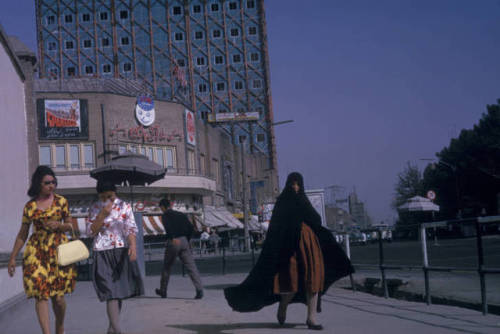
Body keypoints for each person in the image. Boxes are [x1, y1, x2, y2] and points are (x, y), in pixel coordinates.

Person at [224, 172, 354, 330]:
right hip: (289, 248)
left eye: (298, 184)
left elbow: (315, 219)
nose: (295, 187)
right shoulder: (283, 201)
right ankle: (283, 307)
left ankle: (311, 318)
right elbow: (276, 227)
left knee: (313, 279)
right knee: (290, 281)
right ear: (288, 185)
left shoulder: (303, 200)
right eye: (293, 184)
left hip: (308, 244)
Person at [8, 165, 76, 334]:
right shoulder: (29, 206)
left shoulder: (61, 202)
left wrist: (60, 225)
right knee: (41, 294)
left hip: (58, 251)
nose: (51, 185)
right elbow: (23, 233)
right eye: (47, 183)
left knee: (58, 299)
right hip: (36, 252)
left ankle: (59, 326)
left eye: (53, 182)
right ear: (39, 183)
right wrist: (12, 257)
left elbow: (71, 226)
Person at [86, 181, 144, 334]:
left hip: (120, 250)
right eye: (103, 197)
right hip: (102, 250)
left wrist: (132, 246)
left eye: (110, 197)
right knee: (110, 291)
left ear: (115, 193)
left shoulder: (124, 206)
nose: (107, 200)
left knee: (117, 292)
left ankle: (112, 329)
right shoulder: (95, 208)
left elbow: (130, 228)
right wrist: (102, 215)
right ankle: (118, 330)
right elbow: (90, 231)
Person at [155, 198, 203, 299]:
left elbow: (168, 228)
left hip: (174, 241)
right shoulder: (181, 214)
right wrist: (187, 239)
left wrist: (172, 238)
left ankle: (163, 291)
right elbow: (191, 228)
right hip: (184, 241)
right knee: (191, 266)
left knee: (167, 267)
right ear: (170, 205)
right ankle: (199, 289)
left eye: (161, 208)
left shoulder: (165, 215)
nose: (161, 210)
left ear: (163, 207)